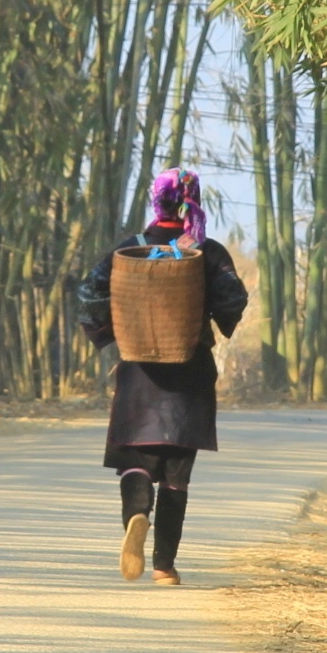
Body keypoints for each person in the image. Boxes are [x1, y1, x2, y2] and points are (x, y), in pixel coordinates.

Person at [77, 168, 248, 584]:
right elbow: (233, 298)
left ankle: (137, 513)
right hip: (190, 373)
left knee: (135, 461)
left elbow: (89, 294)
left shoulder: (129, 248)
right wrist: (213, 316)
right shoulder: (207, 252)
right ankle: (164, 566)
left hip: (138, 373)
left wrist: (114, 331)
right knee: (175, 477)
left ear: (157, 200)